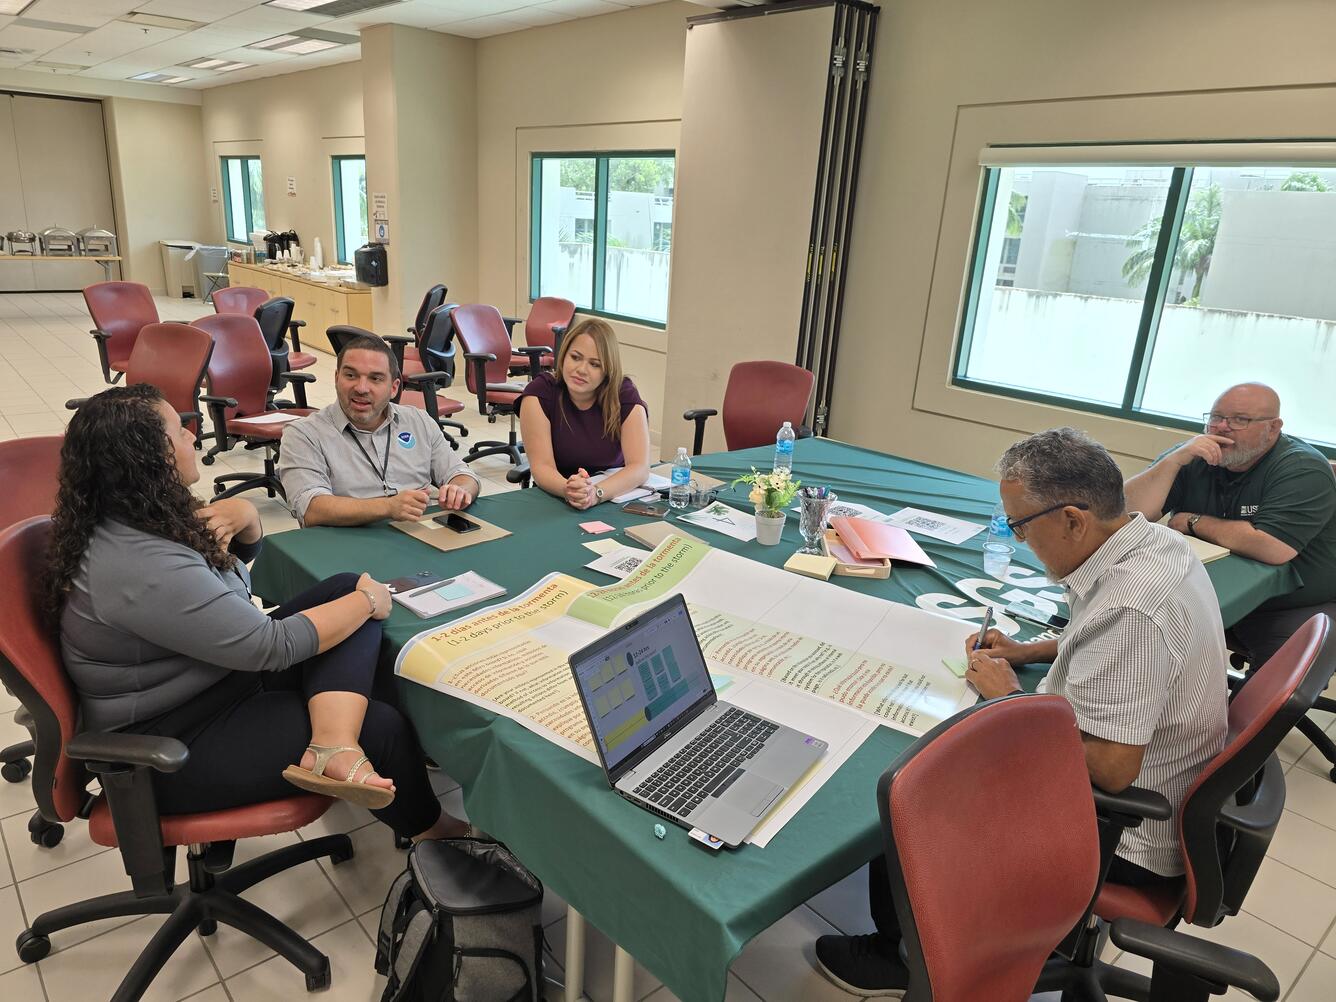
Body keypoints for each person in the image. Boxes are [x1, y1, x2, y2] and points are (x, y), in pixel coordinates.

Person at [814, 428, 1228, 998]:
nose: (1017, 538)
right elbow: (1106, 638)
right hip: (1162, 784)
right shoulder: (1149, 544)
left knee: (916, 784)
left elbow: (1110, 770)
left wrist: (1009, 697)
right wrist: (1033, 651)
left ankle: (905, 958)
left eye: (1021, 526)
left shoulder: (1134, 607)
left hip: (1119, 832)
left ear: (1074, 519)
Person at [48, 384, 473, 841]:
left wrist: (247, 517)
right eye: (180, 432)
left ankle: (335, 744)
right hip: (171, 742)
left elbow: (229, 582)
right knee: (381, 720)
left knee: (344, 585)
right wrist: (368, 602)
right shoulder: (140, 563)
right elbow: (268, 645)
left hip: (212, 680)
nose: (194, 438)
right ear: (149, 458)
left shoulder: (139, 516)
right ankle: (434, 830)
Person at [1124, 381, 1336, 667]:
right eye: (1215, 417)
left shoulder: (1302, 468)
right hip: (1206, 590)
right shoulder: (1195, 456)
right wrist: (1173, 461)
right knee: (1133, 639)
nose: (1222, 427)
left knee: (1271, 696)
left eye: (1239, 420)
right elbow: (1121, 514)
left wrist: (1194, 522)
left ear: (1273, 427)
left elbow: (1272, 547)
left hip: (1296, 603)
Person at [279, 334, 481, 527]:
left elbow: (462, 474)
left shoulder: (418, 421)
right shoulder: (303, 434)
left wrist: (460, 490)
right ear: (336, 377)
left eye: (375, 379)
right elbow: (311, 508)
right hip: (345, 546)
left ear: (394, 388)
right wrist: (388, 507)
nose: (361, 388)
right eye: (351, 375)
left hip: (418, 537)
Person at [517, 318, 651, 510]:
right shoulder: (540, 392)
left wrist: (595, 493)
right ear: (563, 356)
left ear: (607, 370)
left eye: (595, 364)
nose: (581, 370)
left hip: (610, 496)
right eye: (575, 357)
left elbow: (639, 467)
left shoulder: (624, 394)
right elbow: (542, 467)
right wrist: (572, 491)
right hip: (556, 497)